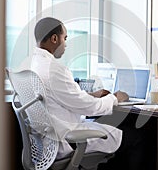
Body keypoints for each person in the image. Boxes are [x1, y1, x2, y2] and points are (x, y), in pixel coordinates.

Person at [31, 17, 146, 169]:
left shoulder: (35, 64)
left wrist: (94, 95)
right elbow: (88, 107)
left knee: (117, 130)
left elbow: (62, 98)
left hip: (49, 140)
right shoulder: (54, 69)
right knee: (137, 139)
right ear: (54, 38)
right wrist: (114, 98)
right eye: (64, 38)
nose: (65, 44)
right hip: (68, 140)